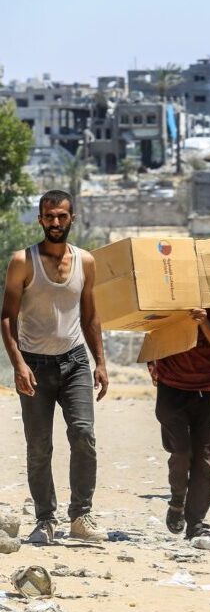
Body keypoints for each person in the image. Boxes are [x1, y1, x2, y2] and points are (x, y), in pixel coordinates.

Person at [1, 189, 109, 544]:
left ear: (72, 218)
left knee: (83, 436)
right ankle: (46, 519)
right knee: (39, 446)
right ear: (40, 219)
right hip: (34, 364)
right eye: (50, 216)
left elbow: (91, 315)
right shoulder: (23, 261)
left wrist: (100, 363)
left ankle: (81, 516)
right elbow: (7, 318)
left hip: (75, 360)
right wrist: (18, 364)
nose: (56, 222)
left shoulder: (86, 262)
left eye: (62, 216)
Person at [149, 304, 210, 541]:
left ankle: (195, 524)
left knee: (205, 460)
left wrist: (204, 322)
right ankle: (178, 500)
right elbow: (154, 327)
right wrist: (151, 360)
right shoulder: (174, 296)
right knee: (181, 452)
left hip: (208, 390)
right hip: (171, 388)